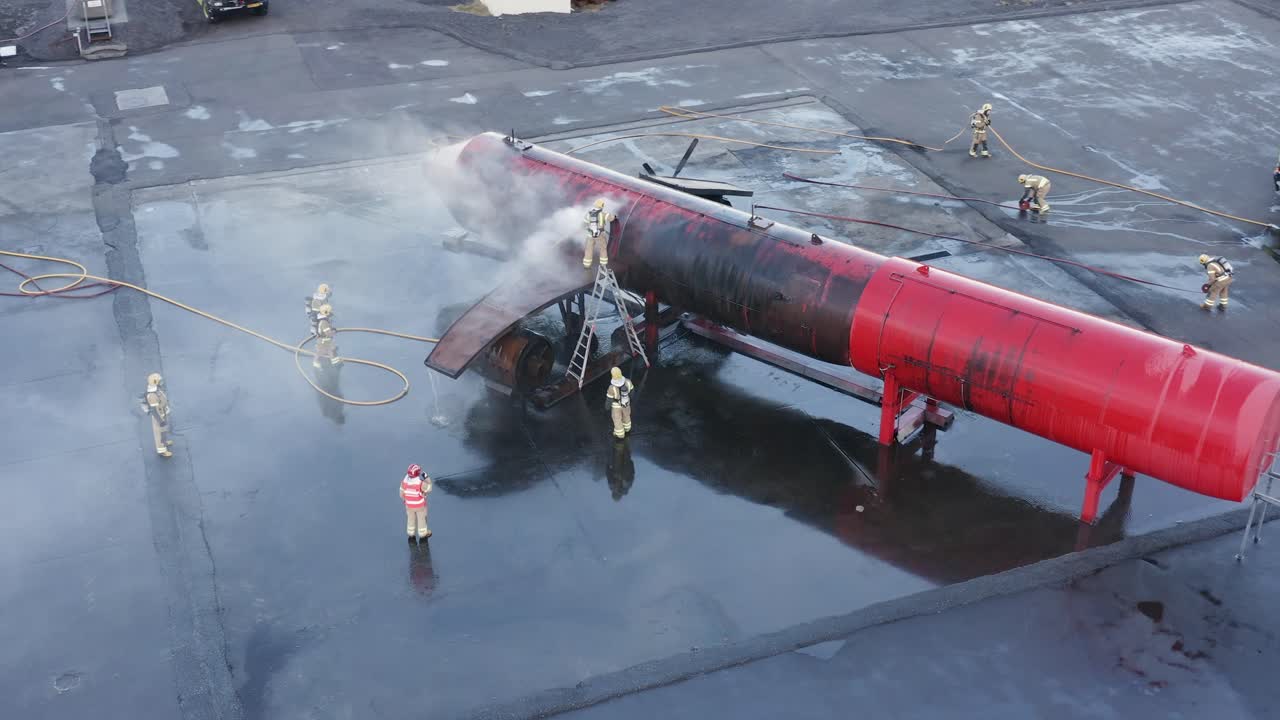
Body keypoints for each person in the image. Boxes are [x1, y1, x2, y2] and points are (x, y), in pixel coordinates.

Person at [139, 373, 173, 458]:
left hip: (163, 413)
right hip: (159, 416)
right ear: (155, 382)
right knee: (159, 433)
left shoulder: (156, 390)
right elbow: (154, 410)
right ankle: (162, 450)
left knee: (164, 431)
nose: (161, 382)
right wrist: (160, 420)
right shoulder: (152, 395)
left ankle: (164, 442)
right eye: (159, 380)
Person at [400, 464, 433, 541]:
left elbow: (401, 493)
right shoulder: (420, 483)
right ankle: (423, 533)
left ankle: (410, 533)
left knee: (410, 519)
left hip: (409, 506)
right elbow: (429, 488)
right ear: (418, 473)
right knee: (421, 519)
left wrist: (406, 500)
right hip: (420, 506)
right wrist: (427, 478)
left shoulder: (404, 482)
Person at [583, 199, 615, 269]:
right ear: (602, 206)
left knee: (588, 249)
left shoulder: (589, 214)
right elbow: (611, 218)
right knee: (603, 249)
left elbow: (584, 223)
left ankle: (586, 265)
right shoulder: (603, 214)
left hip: (590, 235)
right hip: (600, 235)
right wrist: (614, 216)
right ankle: (603, 265)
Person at [605, 366, 634, 439]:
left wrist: (607, 407)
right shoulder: (628, 381)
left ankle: (620, 434)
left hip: (616, 407)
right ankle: (627, 429)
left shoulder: (612, 388)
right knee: (626, 416)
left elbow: (609, 400)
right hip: (626, 404)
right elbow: (632, 393)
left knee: (617, 420)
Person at [313, 303, 341, 369]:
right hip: (323, 342)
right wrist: (334, 331)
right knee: (321, 352)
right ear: (326, 313)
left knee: (330, 350)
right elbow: (328, 333)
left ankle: (334, 362)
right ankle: (316, 362)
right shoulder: (324, 323)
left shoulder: (324, 321)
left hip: (326, 341)